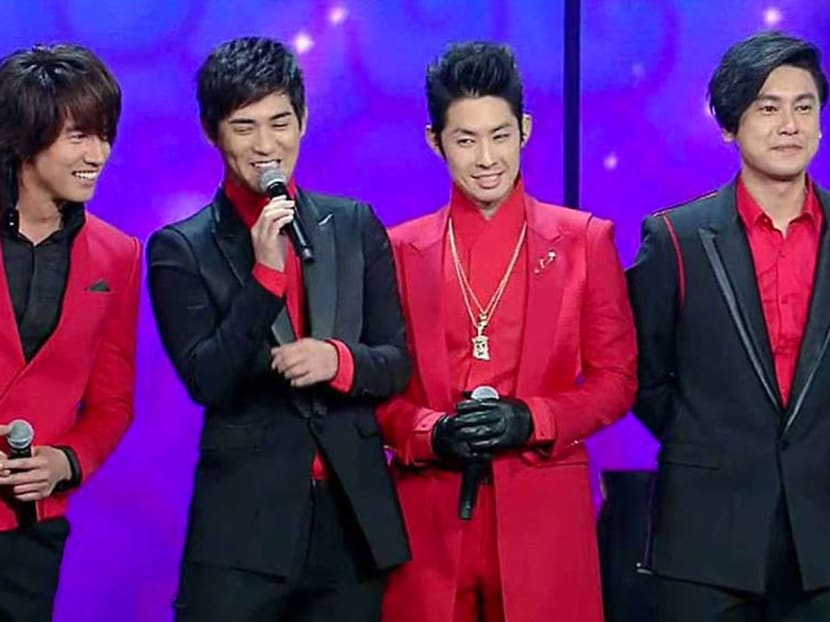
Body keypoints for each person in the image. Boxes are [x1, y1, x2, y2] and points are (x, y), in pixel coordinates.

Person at [147, 36, 411, 621]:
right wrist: (265, 278)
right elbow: (208, 379)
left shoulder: (353, 224)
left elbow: (396, 361)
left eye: (280, 122)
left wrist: (338, 361)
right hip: (242, 532)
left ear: (304, 120)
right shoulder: (180, 249)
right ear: (213, 132)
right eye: (244, 127)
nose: (266, 146)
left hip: (352, 527)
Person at [378, 41, 637, 622]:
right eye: (465, 140)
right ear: (435, 141)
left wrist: (533, 419)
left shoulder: (584, 241)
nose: (487, 158)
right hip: (428, 517)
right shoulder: (398, 250)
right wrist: (430, 432)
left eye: (500, 135)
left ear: (525, 129)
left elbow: (617, 381)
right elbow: (374, 393)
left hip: (544, 515)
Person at [628, 31, 830, 620]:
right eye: (768, 108)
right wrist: (710, 443)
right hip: (706, 538)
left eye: (804, 107)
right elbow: (642, 377)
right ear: (729, 124)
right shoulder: (676, 238)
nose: (789, 125)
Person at [0, 44, 141, 621]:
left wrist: (65, 462)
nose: (98, 154)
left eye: (105, 135)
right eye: (79, 135)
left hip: (29, 530)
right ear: (24, 137)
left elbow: (112, 403)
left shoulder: (118, 255)